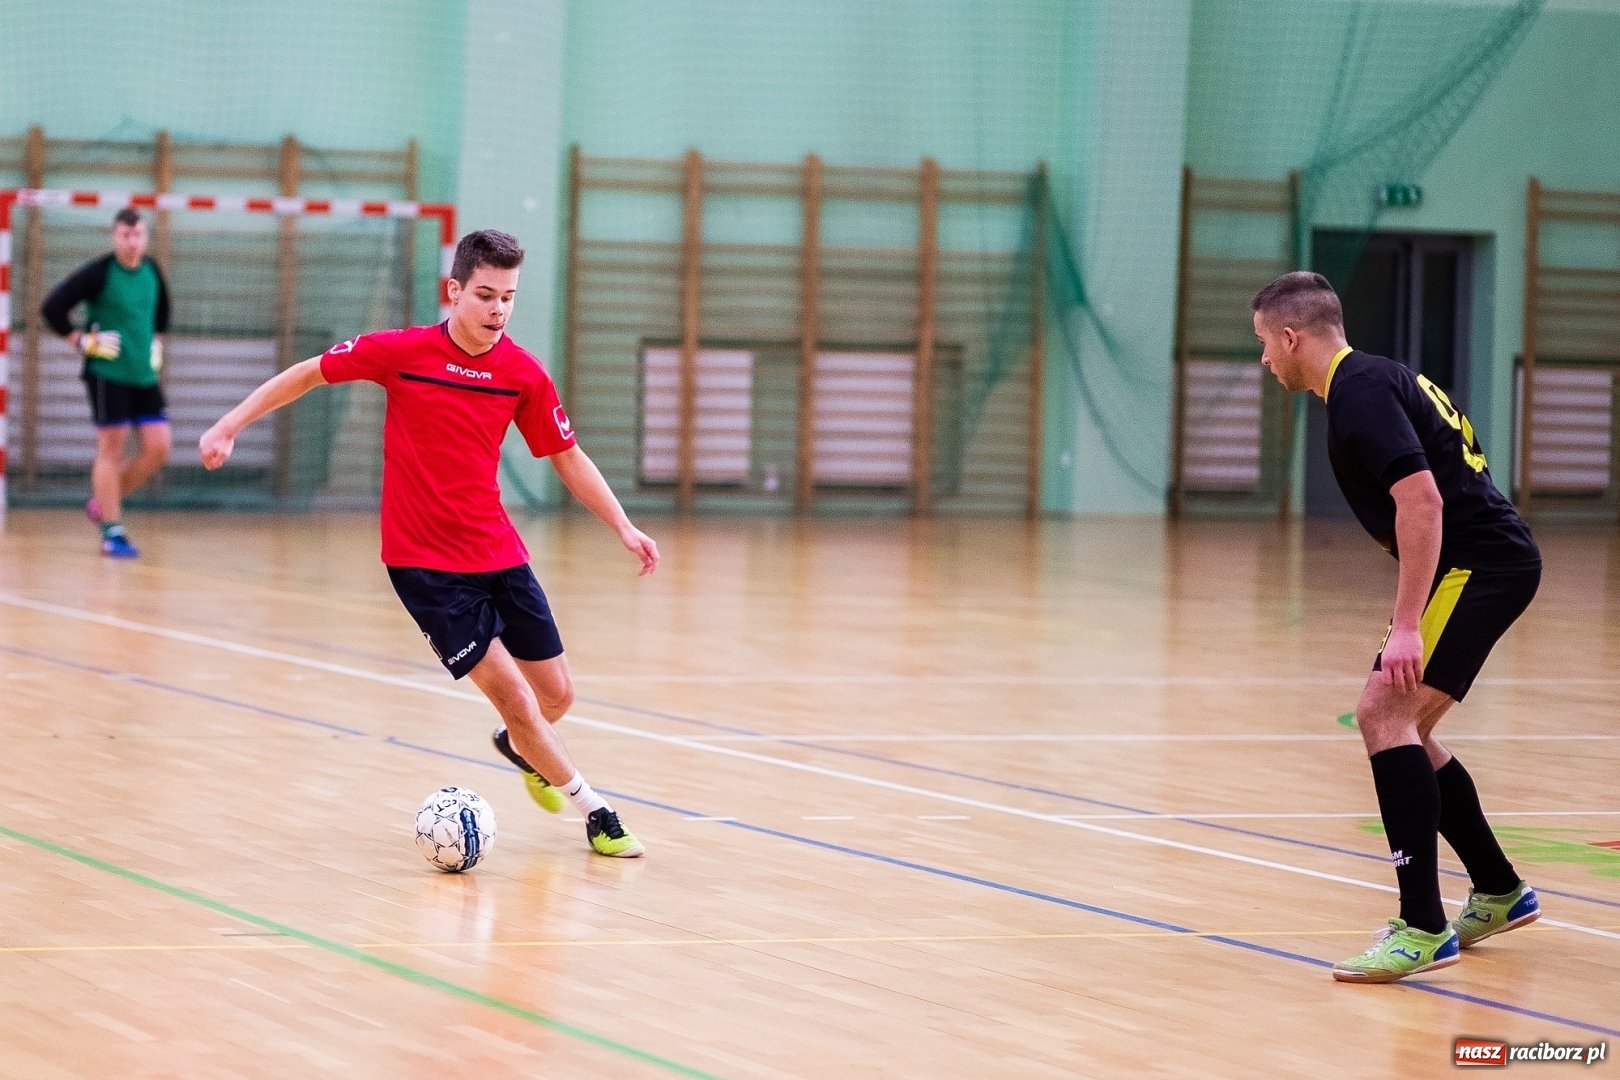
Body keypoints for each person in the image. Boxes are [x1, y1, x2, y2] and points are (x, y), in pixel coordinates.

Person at [199, 229, 656, 858]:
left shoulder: (521, 374)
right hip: (426, 567)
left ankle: (519, 745)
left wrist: (623, 526)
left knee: (557, 696)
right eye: (486, 295)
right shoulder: (402, 353)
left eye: (509, 298)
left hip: (498, 552)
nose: (498, 310)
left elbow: (567, 455)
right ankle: (597, 812)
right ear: (454, 292)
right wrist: (229, 424)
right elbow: (309, 374)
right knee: (520, 699)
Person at [1252, 271, 1542, 984]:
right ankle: (1500, 891)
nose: (1263, 361)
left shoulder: (1358, 393)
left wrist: (1406, 626)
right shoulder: (1369, 382)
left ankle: (1421, 928)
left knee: (1383, 711)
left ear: (1292, 338)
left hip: (1481, 566)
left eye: (1263, 344)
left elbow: (1423, 502)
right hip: (1484, 563)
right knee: (1410, 726)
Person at [42, 207, 173, 558]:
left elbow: (162, 310)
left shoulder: (152, 270)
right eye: (125, 235)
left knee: (159, 446)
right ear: (115, 237)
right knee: (111, 451)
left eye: (138, 235)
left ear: (145, 237)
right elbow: (53, 307)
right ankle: (112, 532)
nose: (132, 242)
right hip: (108, 375)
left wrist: (157, 342)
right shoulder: (99, 274)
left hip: (144, 376)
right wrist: (81, 341)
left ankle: (103, 503)